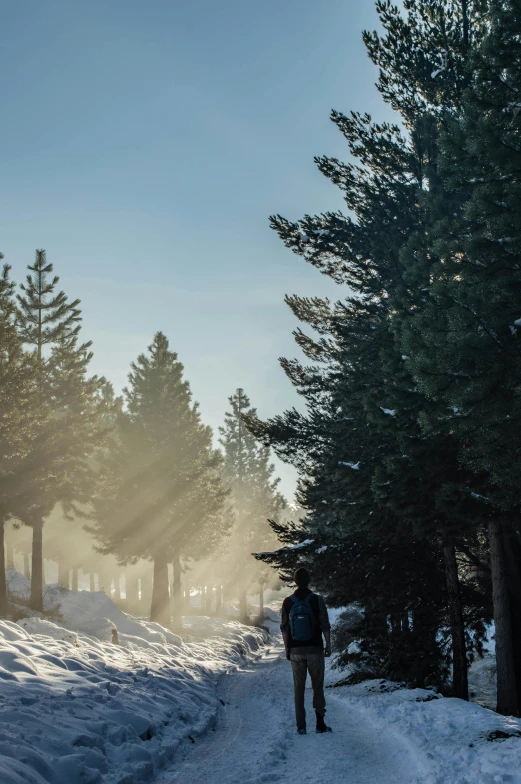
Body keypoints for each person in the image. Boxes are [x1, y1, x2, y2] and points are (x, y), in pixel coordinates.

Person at [280, 567, 332, 735]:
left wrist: (287, 649)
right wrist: (328, 644)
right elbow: (325, 624)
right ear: (309, 581)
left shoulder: (288, 602)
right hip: (315, 648)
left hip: (296, 650)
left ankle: (301, 726)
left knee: (298, 688)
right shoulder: (317, 600)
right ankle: (320, 723)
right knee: (317, 685)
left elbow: (285, 629)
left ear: (295, 581)